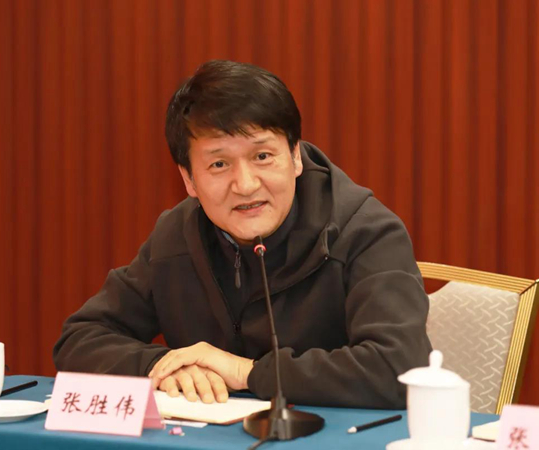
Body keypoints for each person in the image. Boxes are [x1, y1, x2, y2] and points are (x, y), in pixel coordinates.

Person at [53, 60, 432, 409]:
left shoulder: (365, 230)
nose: (246, 185)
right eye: (219, 164)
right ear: (189, 179)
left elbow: (400, 368)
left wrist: (246, 372)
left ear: (295, 157)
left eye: (262, 156)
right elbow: (81, 338)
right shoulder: (177, 235)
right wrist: (166, 366)